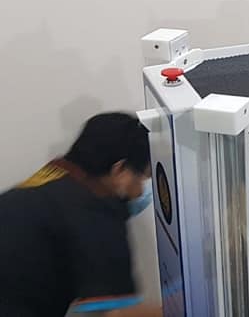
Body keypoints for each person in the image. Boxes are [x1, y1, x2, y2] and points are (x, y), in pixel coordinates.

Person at [0, 112, 161, 317]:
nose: (140, 190)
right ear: (119, 169)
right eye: (141, 178)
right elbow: (116, 314)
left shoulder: (56, 171)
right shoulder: (96, 214)